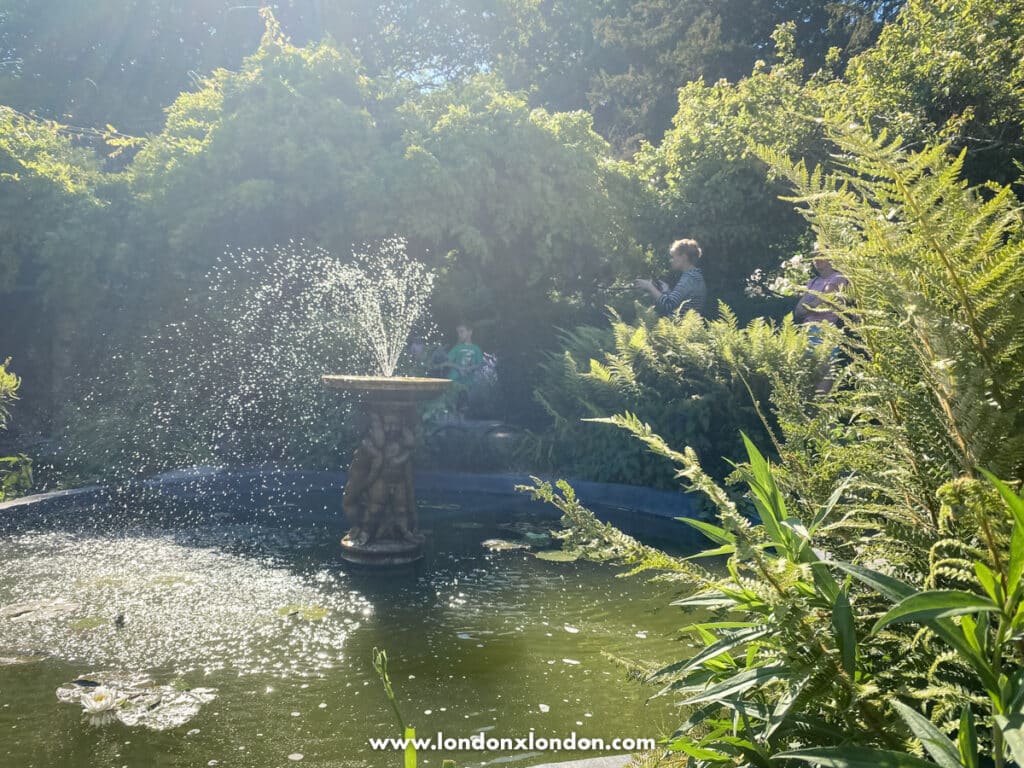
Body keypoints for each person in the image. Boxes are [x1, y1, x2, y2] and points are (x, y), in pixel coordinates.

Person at [794, 252, 849, 393]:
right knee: (808, 372)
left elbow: (825, 298)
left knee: (825, 371)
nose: (817, 259)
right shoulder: (812, 282)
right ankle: (811, 409)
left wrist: (810, 305)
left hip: (825, 328)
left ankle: (821, 408)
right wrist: (813, 305)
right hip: (808, 329)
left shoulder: (838, 277)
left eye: (821, 255)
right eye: (814, 256)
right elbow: (798, 311)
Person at [635, 238, 706, 316]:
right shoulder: (695, 276)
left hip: (681, 326)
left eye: (673, 257)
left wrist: (649, 287)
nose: (671, 260)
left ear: (684, 257)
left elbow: (668, 304)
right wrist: (667, 290)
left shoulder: (689, 278)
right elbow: (677, 303)